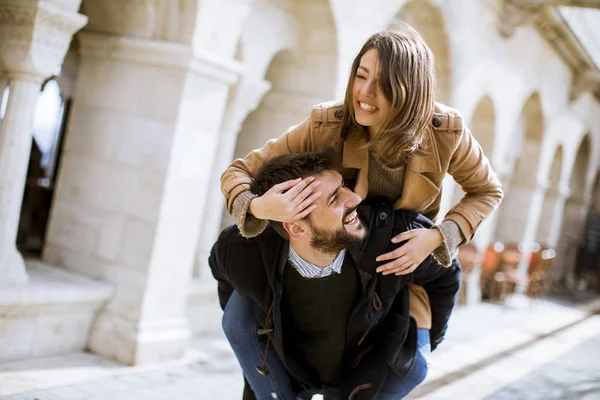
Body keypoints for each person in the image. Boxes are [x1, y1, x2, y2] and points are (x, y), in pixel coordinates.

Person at [220, 23, 503, 394]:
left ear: (410, 91)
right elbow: (239, 171)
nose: (364, 94)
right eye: (360, 75)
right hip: (326, 264)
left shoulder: (445, 132)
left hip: (389, 272)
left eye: (382, 84)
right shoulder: (327, 123)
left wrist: (437, 237)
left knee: (407, 368)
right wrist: (259, 204)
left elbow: (486, 190)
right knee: (245, 327)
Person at [210, 150, 461, 399]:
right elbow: (223, 276)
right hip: (289, 364)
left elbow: (447, 272)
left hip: (366, 370)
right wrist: (260, 319)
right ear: (296, 228)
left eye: (343, 186)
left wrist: (431, 340)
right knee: (237, 315)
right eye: (334, 199)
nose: (354, 198)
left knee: (416, 367)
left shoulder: (392, 237)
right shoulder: (242, 248)